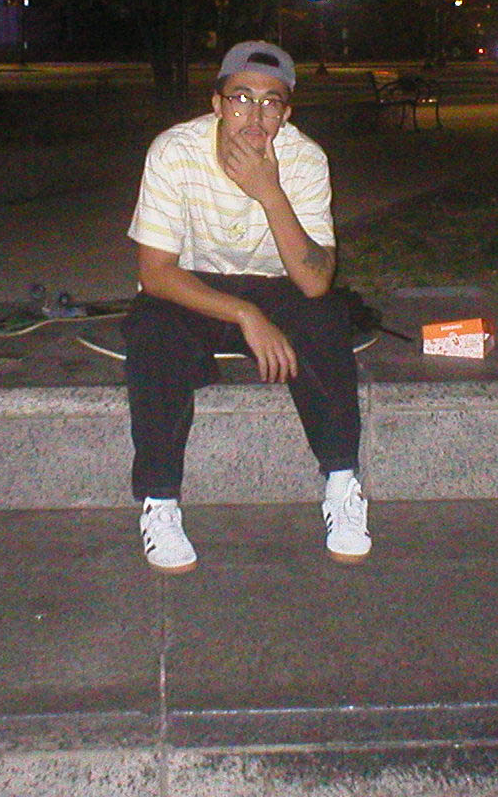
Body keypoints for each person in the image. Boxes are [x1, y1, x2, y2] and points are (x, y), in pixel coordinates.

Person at [122, 40, 369, 573]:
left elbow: (315, 282)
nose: (255, 116)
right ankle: (159, 502)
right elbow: (156, 272)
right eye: (241, 98)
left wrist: (269, 191)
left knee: (325, 319)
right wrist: (243, 314)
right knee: (152, 331)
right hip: (195, 288)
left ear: (287, 112)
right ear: (217, 103)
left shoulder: (305, 159)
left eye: (271, 102)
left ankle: (342, 485)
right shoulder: (175, 151)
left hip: (279, 287)